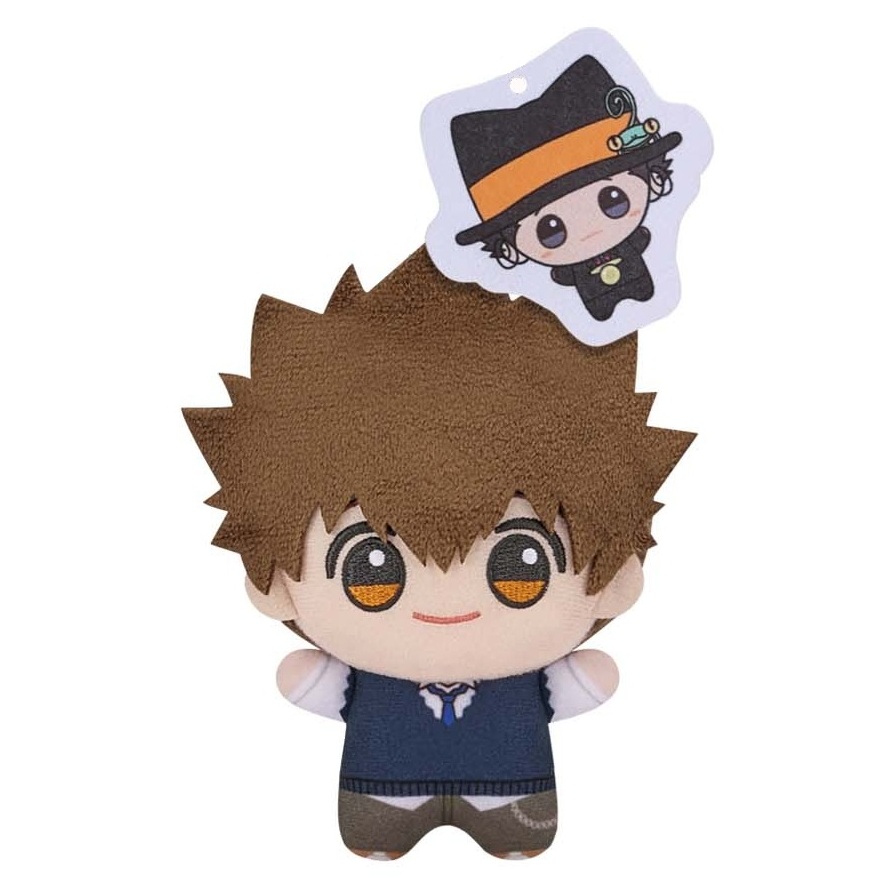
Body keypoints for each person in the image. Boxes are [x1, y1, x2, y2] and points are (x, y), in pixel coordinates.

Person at [184, 247, 693, 858]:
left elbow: (311, 685)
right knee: (383, 821)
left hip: (508, 788)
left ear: (615, 580)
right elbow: (583, 686)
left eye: (520, 568)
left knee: (508, 821)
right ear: (275, 586)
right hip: (385, 788)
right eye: (371, 574)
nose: (446, 607)